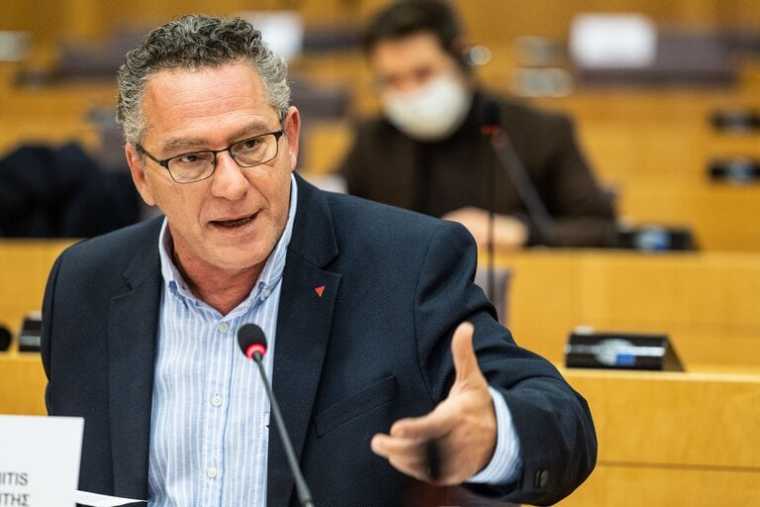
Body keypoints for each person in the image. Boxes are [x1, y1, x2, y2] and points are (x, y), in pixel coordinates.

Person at [41, 15, 596, 507]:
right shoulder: (84, 284)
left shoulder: (407, 266)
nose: (231, 186)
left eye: (251, 145)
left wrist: (494, 437)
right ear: (141, 173)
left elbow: (561, 420)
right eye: (190, 158)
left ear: (291, 138)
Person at [340, 0, 617, 248]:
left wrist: (522, 232)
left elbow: (603, 229)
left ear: (461, 57)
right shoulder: (373, 138)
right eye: (392, 80)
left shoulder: (539, 131)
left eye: (423, 74)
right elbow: (334, 213)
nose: (409, 92)